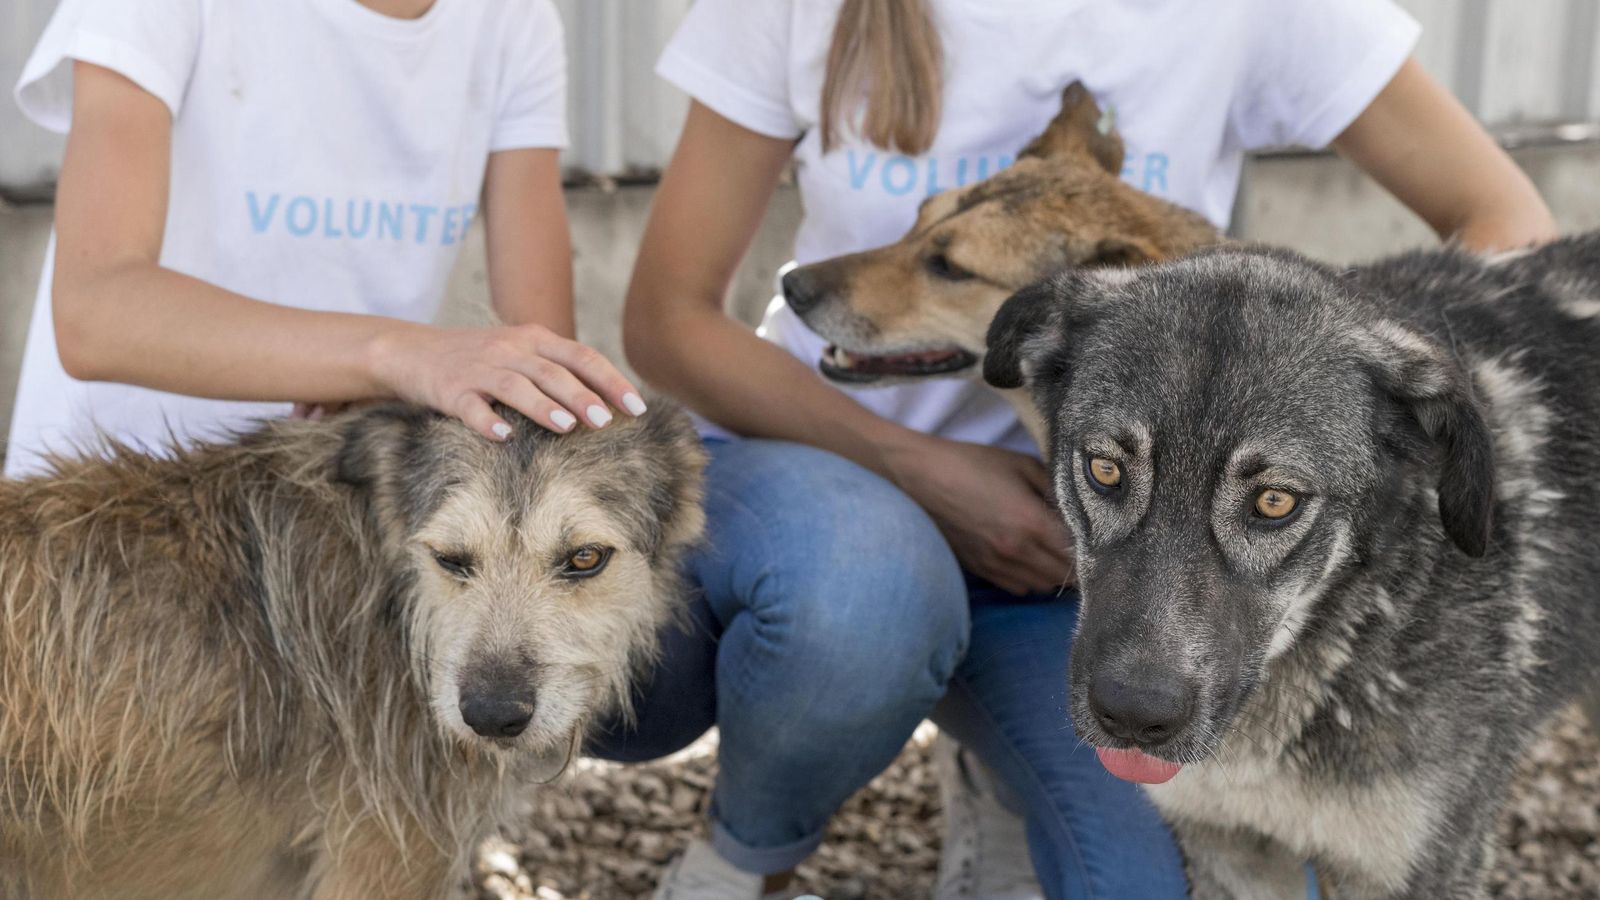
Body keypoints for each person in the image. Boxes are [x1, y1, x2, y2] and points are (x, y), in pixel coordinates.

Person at [595, 1, 1558, 898]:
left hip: (1096, 552)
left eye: (946, 263)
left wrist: (1326, 379)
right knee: (864, 590)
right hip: (836, 502)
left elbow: (1509, 225)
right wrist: (923, 470)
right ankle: (743, 857)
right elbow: (665, 318)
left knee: (1161, 877)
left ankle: (998, 761)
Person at [4, 0, 643, 481]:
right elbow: (95, 313)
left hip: (332, 525)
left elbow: (534, 368)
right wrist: (397, 357)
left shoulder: (513, 18)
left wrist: (420, 375)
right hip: (111, 521)